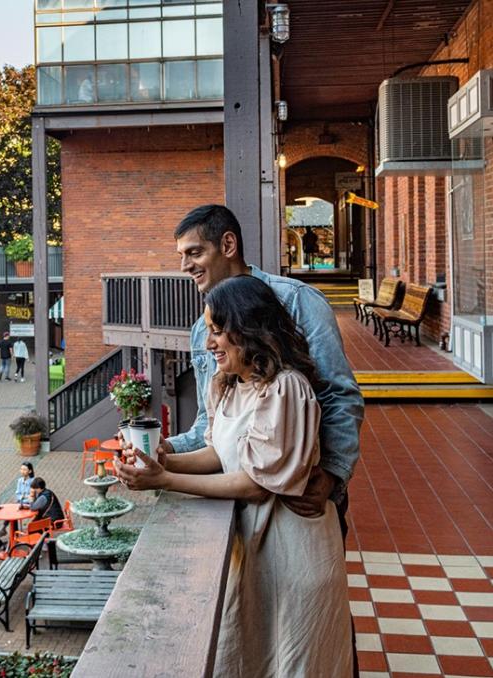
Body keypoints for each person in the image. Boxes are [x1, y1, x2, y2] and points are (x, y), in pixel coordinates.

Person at [116, 275, 353, 676]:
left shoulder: (286, 390)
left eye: (217, 331)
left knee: (294, 663)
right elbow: (218, 455)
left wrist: (165, 482)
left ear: (249, 328)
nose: (209, 344)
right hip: (255, 557)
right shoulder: (231, 386)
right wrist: (162, 462)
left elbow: (254, 484)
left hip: (292, 559)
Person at [164, 205, 363, 532]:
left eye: (195, 253)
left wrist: (332, 473)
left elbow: (338, 395)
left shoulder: (297, 299)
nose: (185, 266)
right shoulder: (202, 329)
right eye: (181, 256)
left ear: (228, 246)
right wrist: (165, 450)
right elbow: (209, 421)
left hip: (301, 506)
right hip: (244, 515)